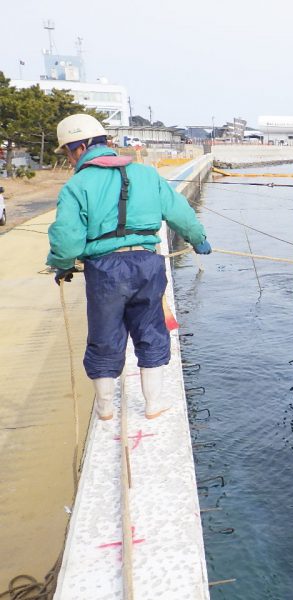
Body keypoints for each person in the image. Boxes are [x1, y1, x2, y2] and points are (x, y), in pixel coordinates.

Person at [47, 113, 212, 421]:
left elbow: (67, 240)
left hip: (104, 270)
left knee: (104, 335)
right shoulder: (147, 175)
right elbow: (180, 213)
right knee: (151, 330)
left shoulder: (76, 186)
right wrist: (198, 238)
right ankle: (152, 405)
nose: (69, 160)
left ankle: (106, 408)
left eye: (68, 152)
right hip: (147, 265)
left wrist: (61, 264)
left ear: (80, 148)